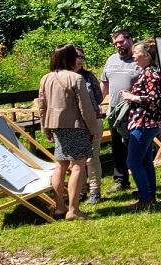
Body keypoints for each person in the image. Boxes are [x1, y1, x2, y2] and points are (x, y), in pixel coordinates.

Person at [38, 44, 101, 220]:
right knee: (78, 166)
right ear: (70, 58)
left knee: (60, 166)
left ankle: (59, 208)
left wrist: (45, 128)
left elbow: (41, 107)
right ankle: (74, 210)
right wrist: (93, 128)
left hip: (56, 126)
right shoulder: (76, 78)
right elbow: (86, 109)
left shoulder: (45, 78)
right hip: (76, 126)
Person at [120, 40, 161, 210]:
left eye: (136, 53)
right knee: (145, 161)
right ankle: (150, 197)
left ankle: (145, 199)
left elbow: (155, 100)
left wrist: (132, 97)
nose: (133, 56)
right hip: (145, 123)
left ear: (146, 55)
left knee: (133, 162)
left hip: (144, 123)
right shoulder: (149, 72)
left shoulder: (150, 74)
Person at [100, 30, 142, 192]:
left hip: (134, 112)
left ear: (131, 40)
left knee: (136, 147)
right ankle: (121, 180)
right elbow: (104, 83)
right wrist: (97, 102)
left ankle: (141, 181)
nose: (118, 46)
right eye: (116, 43)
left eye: (121, 42)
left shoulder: (139, 59)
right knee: (117, 146)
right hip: (115, 113)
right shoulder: (111, 60)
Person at [74, 47, 104, 203]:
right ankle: (81, 190)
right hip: (74, 124)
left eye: (82, 57)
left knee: (92, 158)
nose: (80, 60)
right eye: (76, 56)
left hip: (93, 120)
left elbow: (98, 97)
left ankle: (95, 191)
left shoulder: (88, 77)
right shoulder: (64, 77)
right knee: (77, 159)